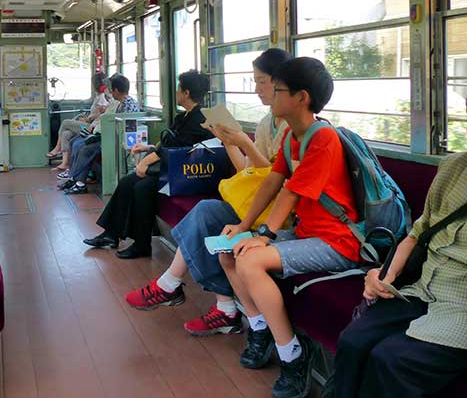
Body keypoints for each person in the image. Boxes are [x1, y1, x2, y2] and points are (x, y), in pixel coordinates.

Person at [328, 76, 467, 398]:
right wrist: (385, 274)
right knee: (353, 341)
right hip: (419, 288)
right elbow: (419, 232)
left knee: (392, 361)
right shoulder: (453, 168)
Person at [123, 48, 293, 336]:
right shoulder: (267, 123)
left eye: (261, 81)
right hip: (258, 202)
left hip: (278, 212)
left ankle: (179, 289)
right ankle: (209, 301)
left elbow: (279, 181)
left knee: (207, 219)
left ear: (281, 83)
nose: (257, 89)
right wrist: (229, 142)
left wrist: (246, 143)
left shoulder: (294, 126)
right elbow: (247, 174)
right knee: (203, 211)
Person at [218, 57, 360, 398]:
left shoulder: (323, 138)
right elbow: (272, 183)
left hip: (337, 242)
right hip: (306, 233)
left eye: (278, 89)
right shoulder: (291, 138)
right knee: (228, 249)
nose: (269, 94)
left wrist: (264, 236)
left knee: (250, 260)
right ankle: (260, 327)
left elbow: (291, 194)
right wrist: (243, 226)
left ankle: (293, 355)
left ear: (302, 97)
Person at [83, 70, 213, 259]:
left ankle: (142, 245)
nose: (176, 92)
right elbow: (171, 143)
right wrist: (148, 147)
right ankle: (111, 234)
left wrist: (146, 162)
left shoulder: (198, 120)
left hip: (186, 174)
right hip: (173, 168)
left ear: (186, 93)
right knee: (128, 182)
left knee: (142, 188)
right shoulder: (183, 117)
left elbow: (179, 149)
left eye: (178, 89)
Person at [60, 73, 140, 194]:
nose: (110, 93)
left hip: (114, 140)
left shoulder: (128, 105)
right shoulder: (121, 102)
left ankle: (80, 183)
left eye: (111, 90)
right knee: (79, 143)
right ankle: (74, 179)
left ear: (116, 90)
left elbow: (124, 127)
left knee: (85, 149)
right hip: (109, 136)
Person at [47, 73, 111, 170]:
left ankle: (57, 147)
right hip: (88, 123)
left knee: (65, 123)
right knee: (66, 134)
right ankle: (65, 164)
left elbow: (99, 115)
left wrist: (88, 119)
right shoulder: (99, 96)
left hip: (88, 127)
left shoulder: (102, 98)